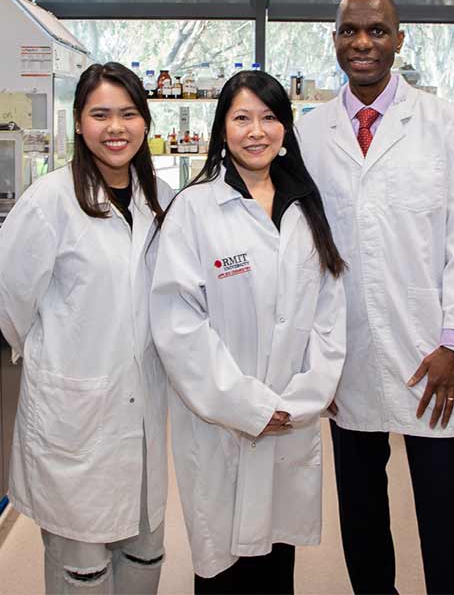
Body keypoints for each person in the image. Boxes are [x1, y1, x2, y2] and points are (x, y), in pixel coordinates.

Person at [297, 0, 454, 595]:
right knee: (360, 506)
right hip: (345, 346)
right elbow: (301, 252)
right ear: (334, 40)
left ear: (399, 40)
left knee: (445, 505)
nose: (363, 43)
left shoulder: (442, 124)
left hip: (430, 348)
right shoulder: (309, 132)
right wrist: (312, 359)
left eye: (377, 31)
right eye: (350, 30)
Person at [150, 70, 348, 594]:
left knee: (277, 564)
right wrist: (250, 407)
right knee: (223, 568)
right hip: (223, 424)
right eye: (242, 118)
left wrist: (302, 401)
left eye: (268, 117)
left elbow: (329, 317)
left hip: (291, 418)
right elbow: (179, 324)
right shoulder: (194, 208)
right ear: (222, 129)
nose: (256, 131)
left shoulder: (307, 208)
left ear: (285, 128)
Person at [0, 62, 174, 595]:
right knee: (82, 572)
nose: (116, 128)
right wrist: (53, 353)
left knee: (144, 555)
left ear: (145, 122)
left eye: (128, 114)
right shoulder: (50, 199)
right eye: (101, 114)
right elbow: (3, 296)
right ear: (79, 123)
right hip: (74, 414)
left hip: (140, 413)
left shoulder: (159, 198)